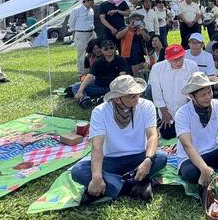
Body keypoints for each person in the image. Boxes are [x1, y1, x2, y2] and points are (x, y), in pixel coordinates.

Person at [71, 76, 167, 204]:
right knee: (78, 171)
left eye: (138, 94)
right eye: (131, 96)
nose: (137, 99)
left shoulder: (147, 106)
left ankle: (112, 187)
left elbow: (152, 136)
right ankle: (135, 185)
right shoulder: (100, 112)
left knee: (161, 157)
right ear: (117, 99)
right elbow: (97, 147)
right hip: (111, 160)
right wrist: (97, 178)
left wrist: (148, 160)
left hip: (139, 157)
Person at [148, 44, 198, 139]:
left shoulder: (192, 65)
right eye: (175, 60)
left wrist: (188, 111)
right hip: (167, 110)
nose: (179, 62)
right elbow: (156, 92)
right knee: (168, 135)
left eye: (181, 58)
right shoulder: (157, 68)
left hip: (187, 107)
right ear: (168, 59)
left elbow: (194, 88)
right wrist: (164, 112)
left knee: (190, 136)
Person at [74, 39, 130, 105]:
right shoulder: (97, 62)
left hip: (114, 88)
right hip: (99, 87)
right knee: (76, 86)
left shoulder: (121, 60)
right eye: (106, 49)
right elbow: (90, 77)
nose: (109, 50)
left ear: (115, 48)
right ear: (102, 50)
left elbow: (122, 77)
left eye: (111, 48)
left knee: (124, 88)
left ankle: (104, 97)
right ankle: (85, 100)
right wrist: (80, 90)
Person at [69, 0, 96, 75]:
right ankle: (81, 72)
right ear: (86, 1)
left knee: (94, 51)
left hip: (91, 32)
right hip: (81, 33)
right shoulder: (76, 10)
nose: (93, 3)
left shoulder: (91, 10)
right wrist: (74, 32)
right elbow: (71, 22)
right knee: (82, 54)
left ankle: (92, 69)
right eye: (91, 1)